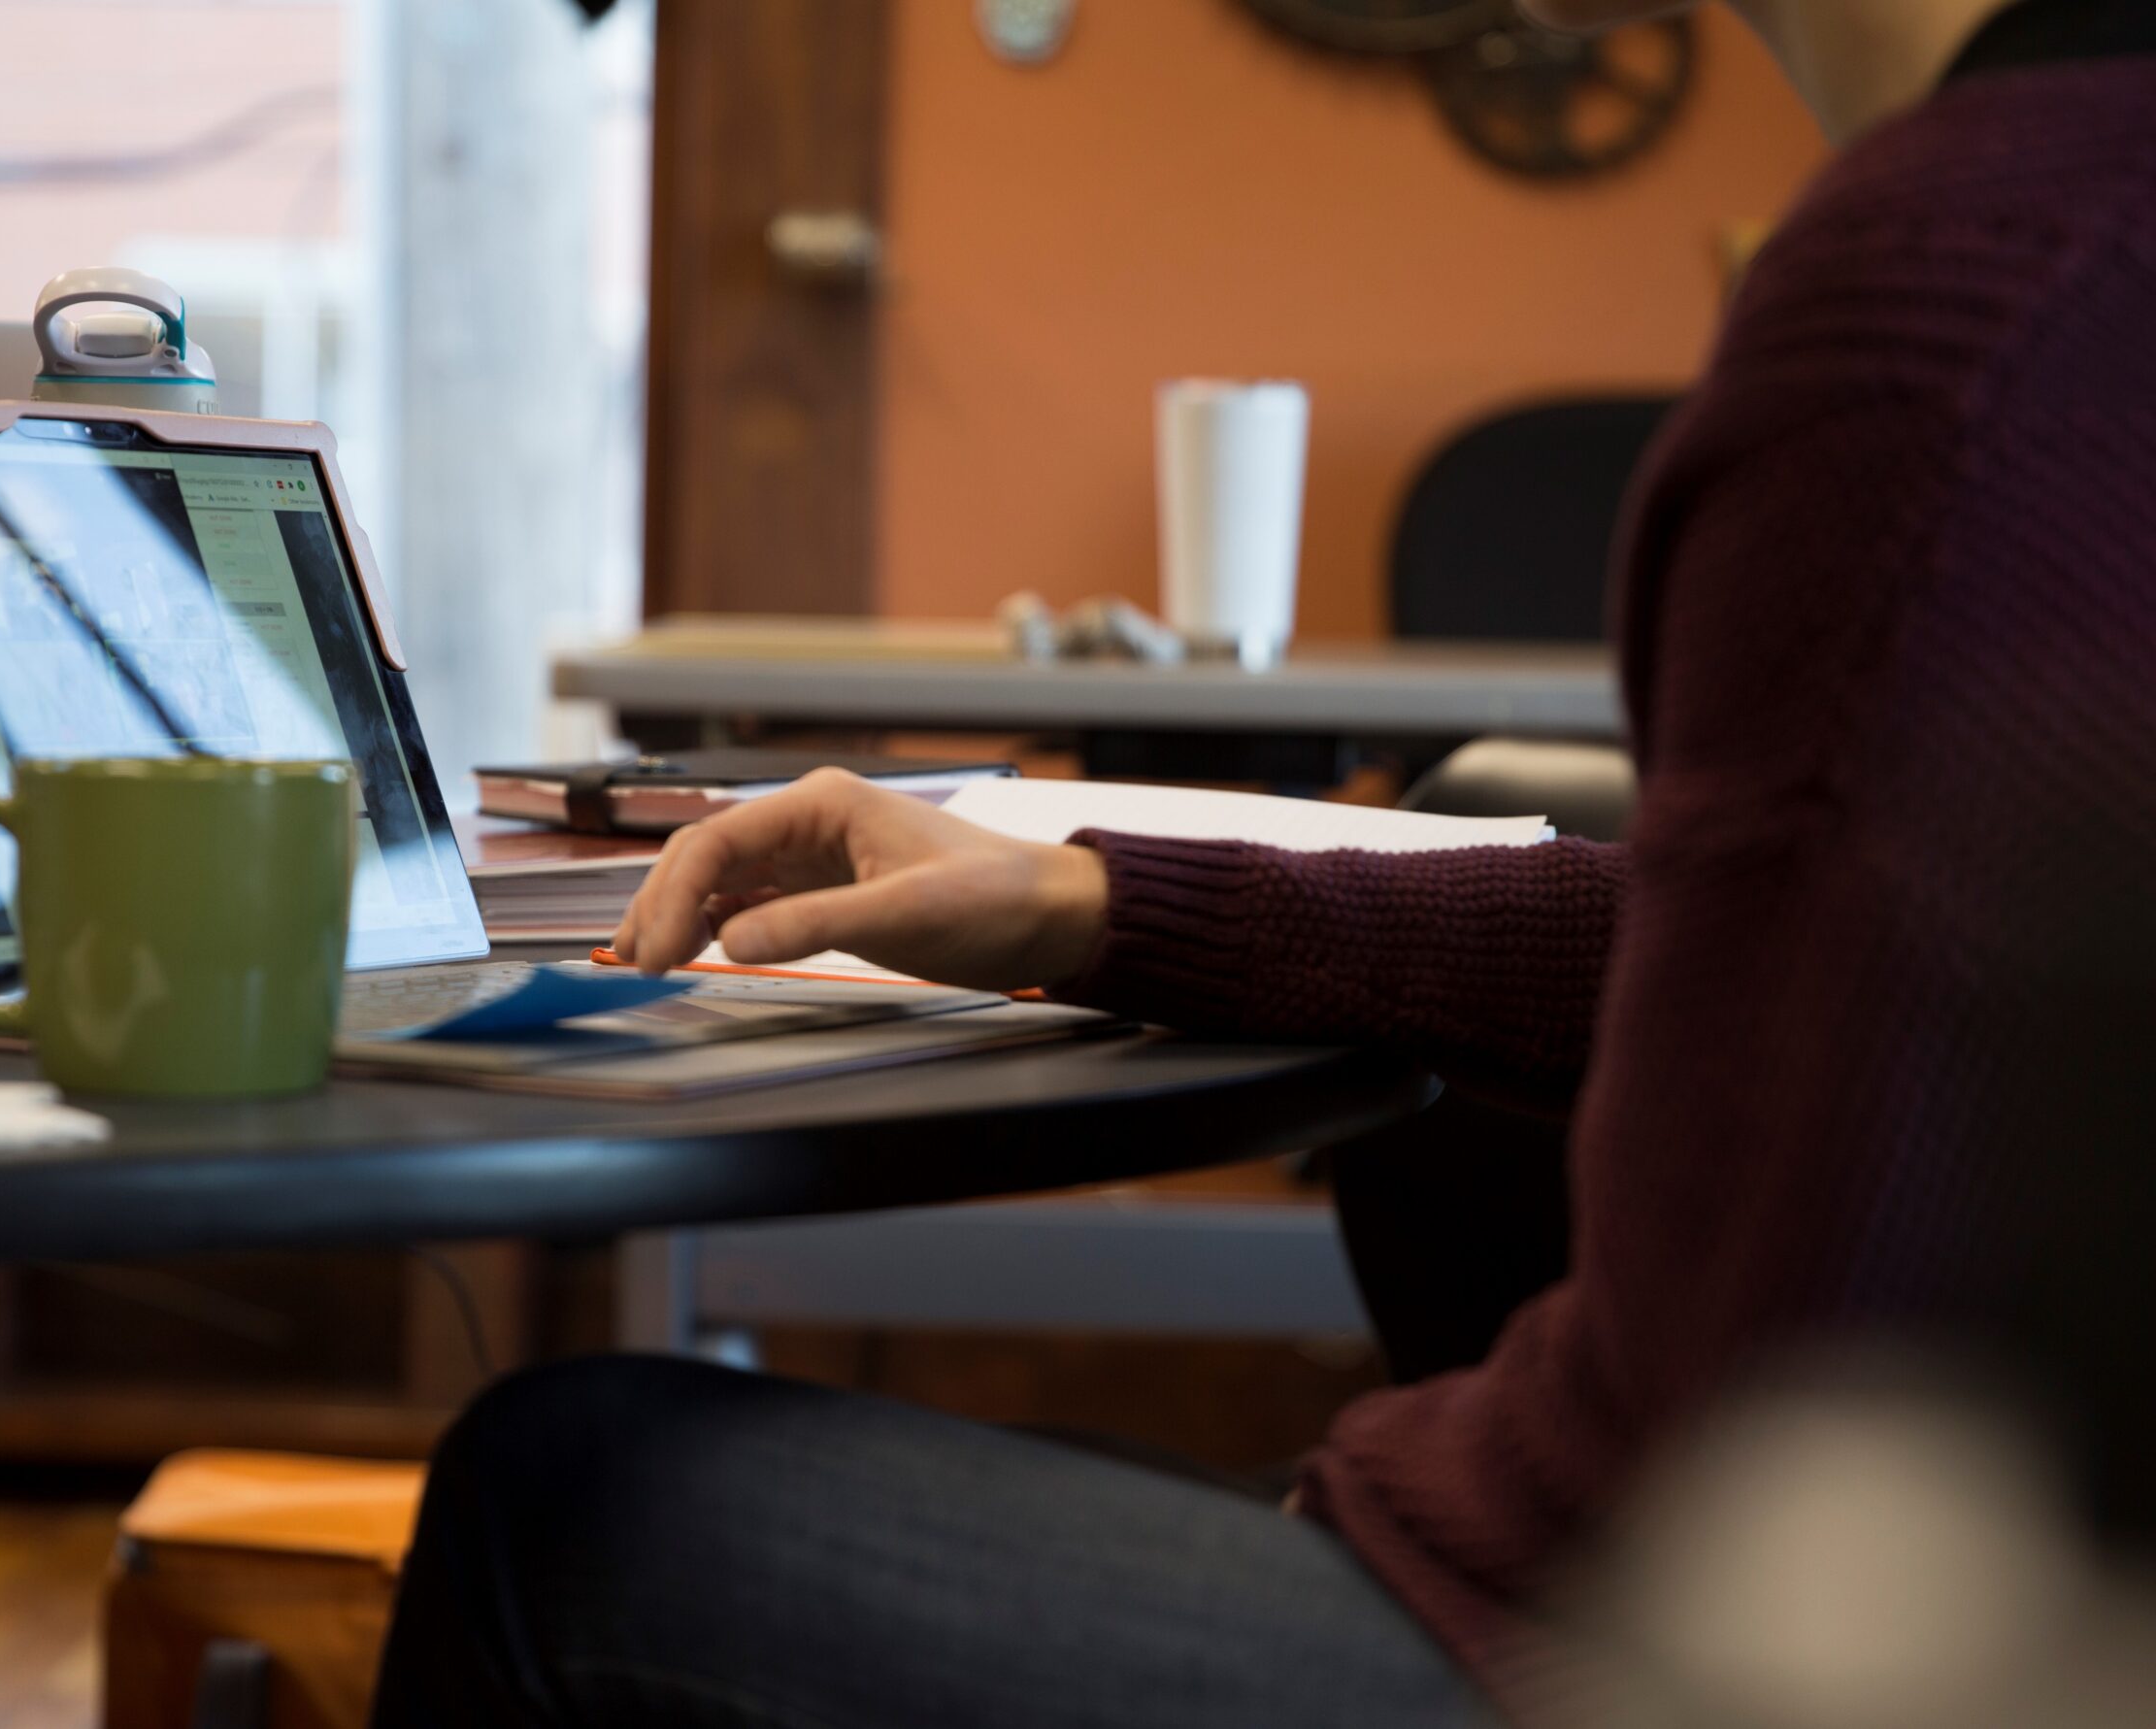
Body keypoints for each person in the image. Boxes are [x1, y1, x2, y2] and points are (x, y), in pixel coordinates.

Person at [370, 1, 2156, 1722]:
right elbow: (1811, 966)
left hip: (1655, 1648)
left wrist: (1351, 1504)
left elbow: (1721, 1427)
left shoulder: (1945, 312)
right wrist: (1097, 894)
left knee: (564, 1501)